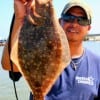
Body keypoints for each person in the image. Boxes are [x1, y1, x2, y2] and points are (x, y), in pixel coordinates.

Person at [1, 0, 100, 100]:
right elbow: (8, 65)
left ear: (89, 28)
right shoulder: (37, 44)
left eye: (82, 20)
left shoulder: (97, 64)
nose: (74, 24)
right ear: (59, 21)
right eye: (69, 18)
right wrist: (19, 18)